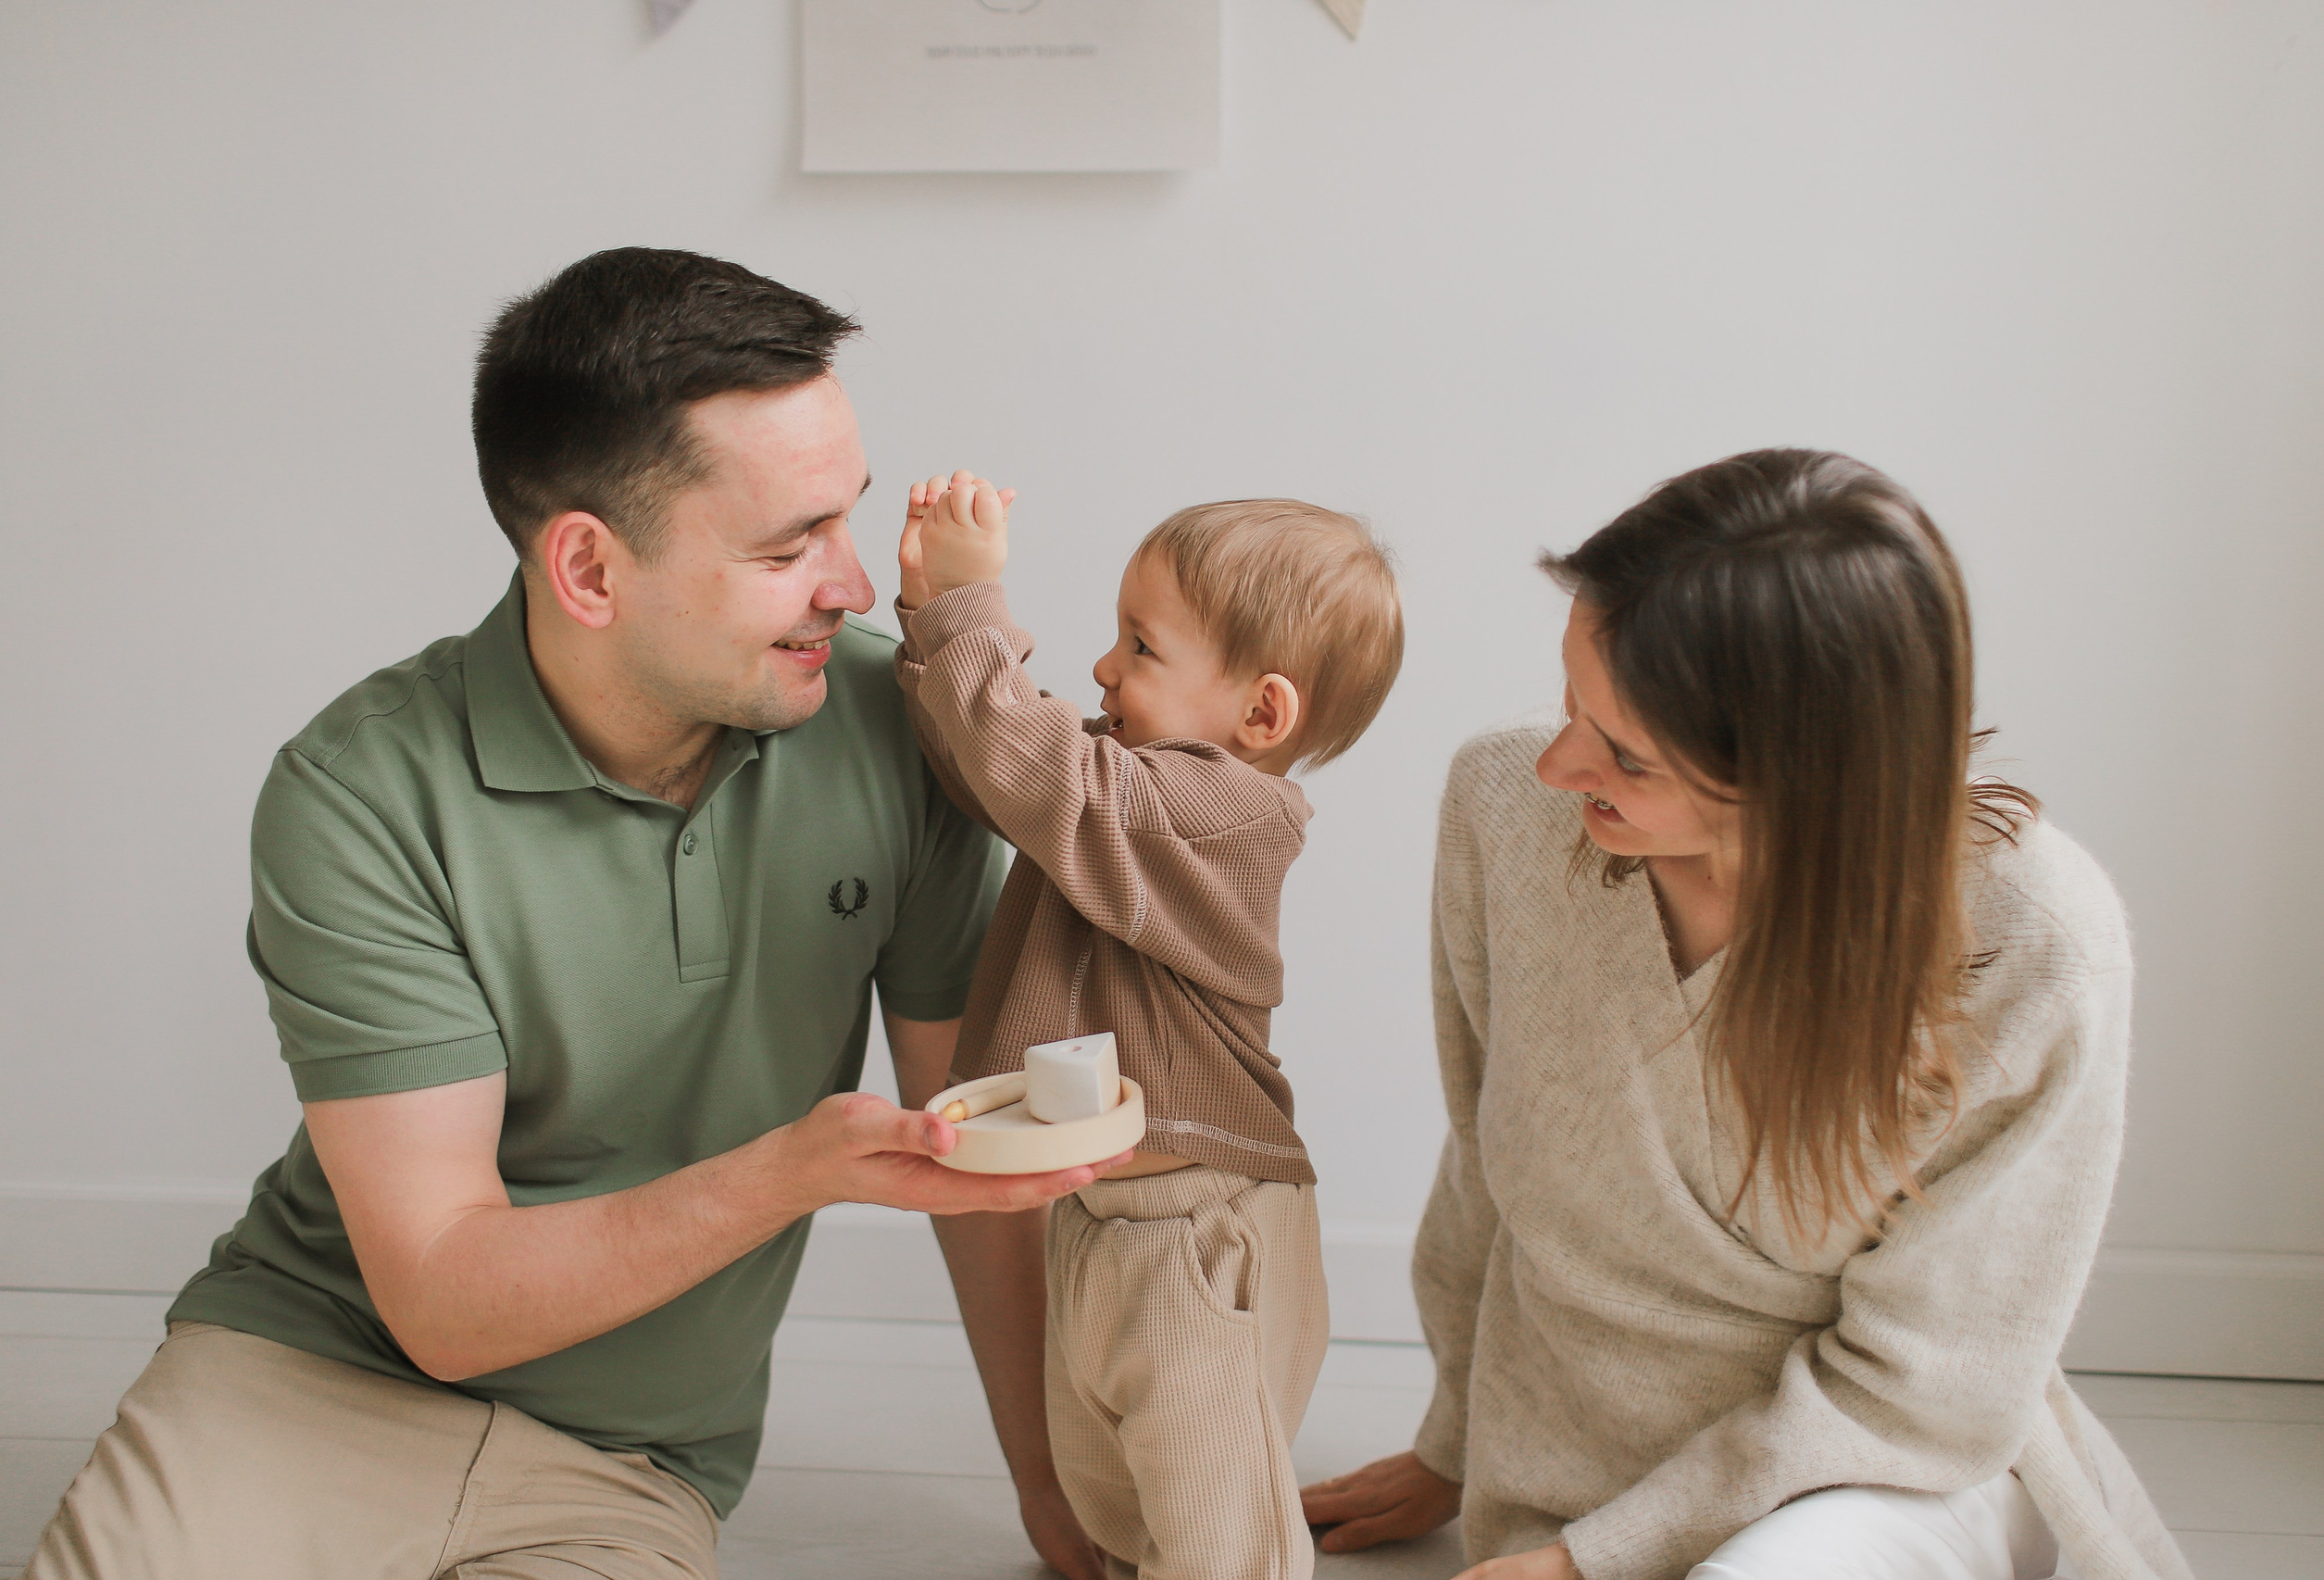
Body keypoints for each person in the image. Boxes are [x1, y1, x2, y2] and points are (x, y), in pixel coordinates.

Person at [23, 249, 1130, 1580]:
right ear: (590, 570)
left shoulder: (905, 738)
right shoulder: (359, 795)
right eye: (790, 545)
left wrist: (1051, 1484)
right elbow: (440, 1299)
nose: (852, 583)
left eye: (848, 518)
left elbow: (976, 1158)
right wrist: (788, 1171)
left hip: (624, 1459)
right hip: (299, 1378)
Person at [1300, 451, 2195, 1580]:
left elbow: (1930, 1389)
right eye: (1571, 698)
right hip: (1561, 1473)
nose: (1561, 761)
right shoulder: (1505, 801)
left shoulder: (2033, 944)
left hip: (1875, 1478)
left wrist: (1603, 1558)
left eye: (1627, 753)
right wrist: (1452, 1444)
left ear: (1814, 774)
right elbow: (1487, 1161)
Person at [891, 475, 1405, 1580]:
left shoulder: (1230, 814)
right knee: (1116, 1495)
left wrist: (977, 605)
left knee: (1216, 1525)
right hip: (1103, 1218)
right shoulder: (1119, 792)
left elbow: (1045, 777)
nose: (1103, 667)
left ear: (1261, 715)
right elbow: (996, 772)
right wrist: (936, 613)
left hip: (1199, 1225)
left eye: (1141, 645)